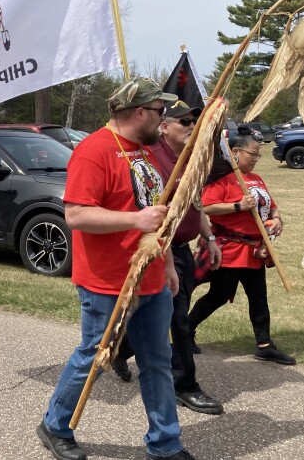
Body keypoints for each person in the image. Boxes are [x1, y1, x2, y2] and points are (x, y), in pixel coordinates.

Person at [37, 78, 196, 460]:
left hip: (153, 277)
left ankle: (164, 443)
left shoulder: (148, 150)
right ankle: (55, 425)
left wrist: (168, 262)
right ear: (139, 112)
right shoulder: (94, 151)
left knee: (157, 361)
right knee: (95, 355)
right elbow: (75, 215)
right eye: (160, 112)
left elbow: (156, 215)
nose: (164, 120)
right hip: (108, 282)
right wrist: (134, 220)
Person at [109, 101, 224, 416]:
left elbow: (195, 202)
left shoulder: (187, 159)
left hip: (183, 249)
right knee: (178, 320)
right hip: (163, 249)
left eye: (193, 121)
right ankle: (184, 385)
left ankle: (120, 349)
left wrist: (209, 237)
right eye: (184, 121)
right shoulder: (152, 158)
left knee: (165, 318)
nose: (190, 126)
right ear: (164, 126)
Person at [188, 133, 295, 365]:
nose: (256, 158)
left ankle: (264, 345)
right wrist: (237, 206)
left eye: (258, 154)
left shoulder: (256, 178)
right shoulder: (223, 179)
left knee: (259, 297)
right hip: (230, 250)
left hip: (255, 251)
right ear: (235, 153)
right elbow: (206, 208)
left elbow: (271, 206)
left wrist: (277, 219)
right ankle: (186, 330)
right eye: (252, 154)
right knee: (218, 296)